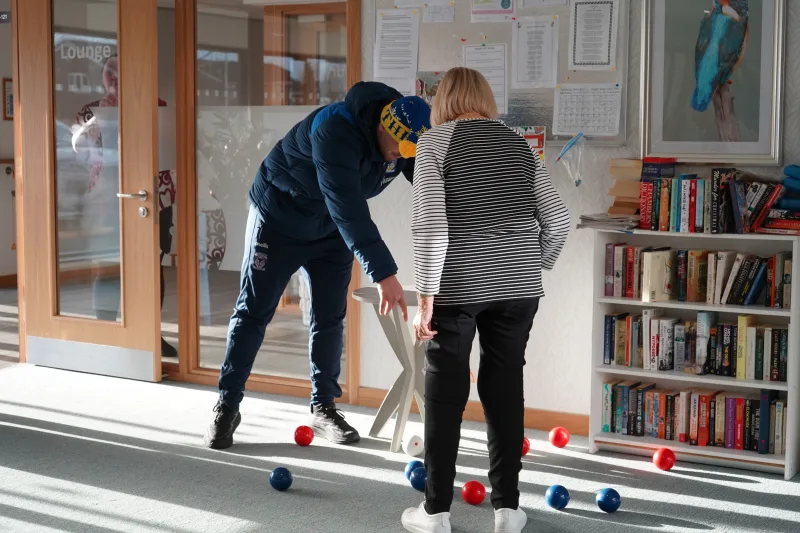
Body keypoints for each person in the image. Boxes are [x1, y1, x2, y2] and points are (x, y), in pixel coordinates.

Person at [203, 83, 432, 449]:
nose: (399, 159)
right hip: (279, 218)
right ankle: (227, 404)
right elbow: (349, 208)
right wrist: (384, 274)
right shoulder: (334, 131)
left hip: (329, 228)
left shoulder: (406, 139)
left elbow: (430, 183)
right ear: (383, 127)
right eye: (399, 149)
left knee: (328, 316)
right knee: (254, 312)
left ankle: (323, 408)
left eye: (409, 152)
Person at [401, 68, 570, 533]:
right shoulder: (519, 143)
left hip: (456, 288)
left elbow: (432, 226)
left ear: (443, 101)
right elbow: (558, 221)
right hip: (518, 289)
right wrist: (534, 266)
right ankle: (508, 510)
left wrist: (425, 294)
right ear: (485, 99)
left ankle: (435, 513)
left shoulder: (435, 143)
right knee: (504, 387)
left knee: (445, 391)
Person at [74, 53, 178, 358]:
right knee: (107, 268)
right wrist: (102, 118)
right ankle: (106, 334)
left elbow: (168, 149)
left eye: (123, 70)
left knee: (151, 267)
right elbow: (79, 152)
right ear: (102, 77)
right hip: (107, 198)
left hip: (156, 198)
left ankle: (149, 335)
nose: (116, 77)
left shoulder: (158, 107)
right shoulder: (88, 111)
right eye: (110, 71)